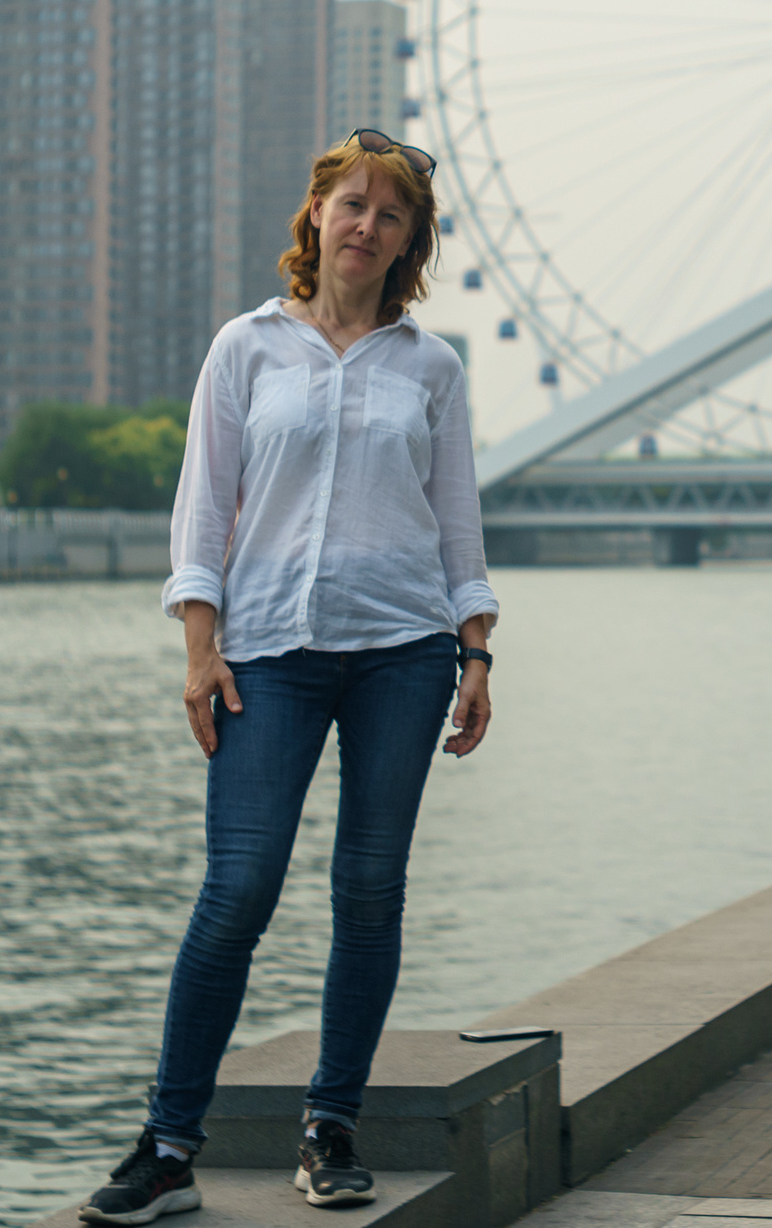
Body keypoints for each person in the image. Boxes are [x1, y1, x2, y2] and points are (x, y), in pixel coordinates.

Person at [79, 131, 498, 1226]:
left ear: (411, 241)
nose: (366, 225)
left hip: (404, 652)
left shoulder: (432, 368)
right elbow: (200, 510)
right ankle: (168, 1150)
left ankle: (332, 1130)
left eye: (391, 213)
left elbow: (458, 527)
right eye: (350, 204)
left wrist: (477, 654)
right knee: (239, 888)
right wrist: (197, 648)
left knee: (368, 891)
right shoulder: (246, 349)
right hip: (266, 652)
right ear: (314, 215)